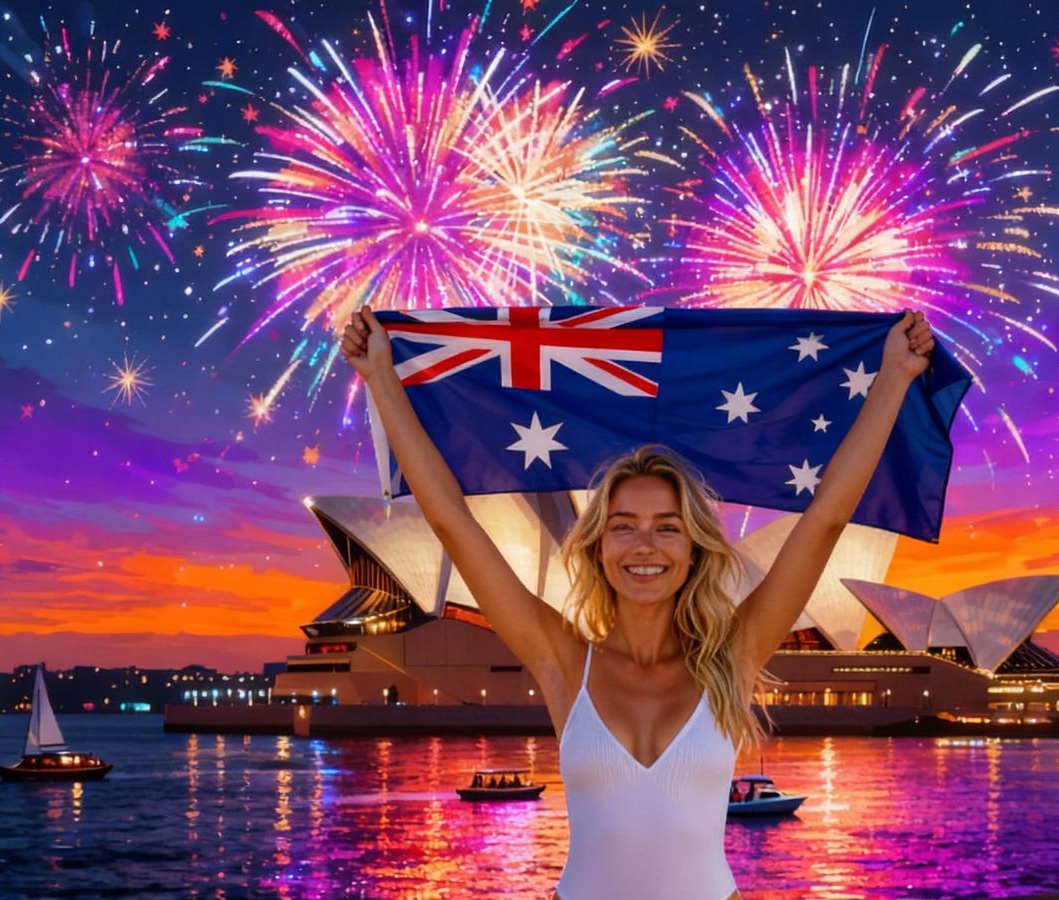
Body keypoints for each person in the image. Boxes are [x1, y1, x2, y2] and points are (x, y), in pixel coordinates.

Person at [341, 307, 935, 900]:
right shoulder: (563, 661)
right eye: (623, 526)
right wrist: (383, 380)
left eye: (667, 527)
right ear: (598, 547)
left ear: (695, 549)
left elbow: (827, 518)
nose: (644, 545)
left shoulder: (733, 657)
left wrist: (893, 379)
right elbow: (451, 522)